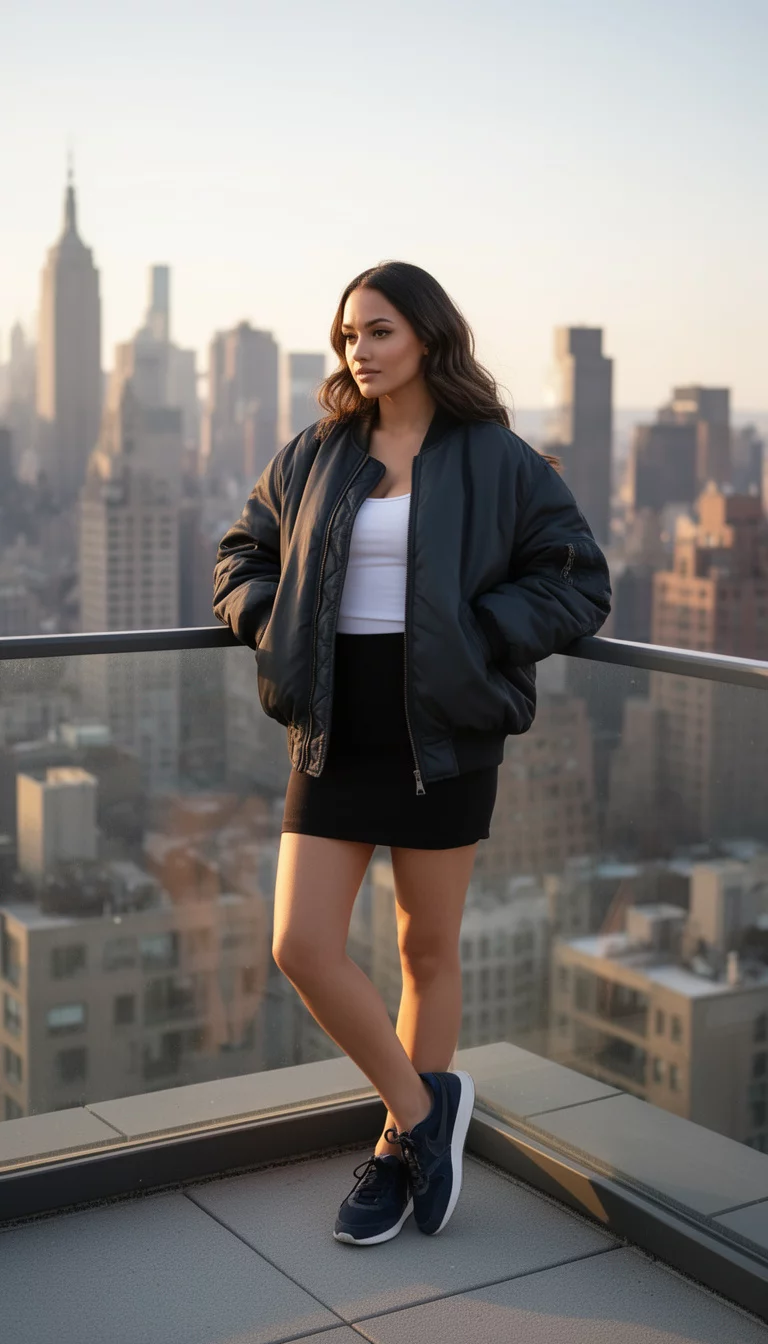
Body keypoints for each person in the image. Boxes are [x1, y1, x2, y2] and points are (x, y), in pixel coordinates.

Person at [212, 260, 611, 1247]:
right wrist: (275, 622)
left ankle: (396, 1152)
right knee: (301, 943)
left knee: (424, 952)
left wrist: (480, 632)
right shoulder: (316, 454)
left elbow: (577, 580)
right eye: (350, 334)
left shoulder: (497, 458)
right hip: (335, 728)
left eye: (379, 330)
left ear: (427, 337)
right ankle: (431, 1114)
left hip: (446, 730)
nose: (361, 350)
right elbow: (239, 555)